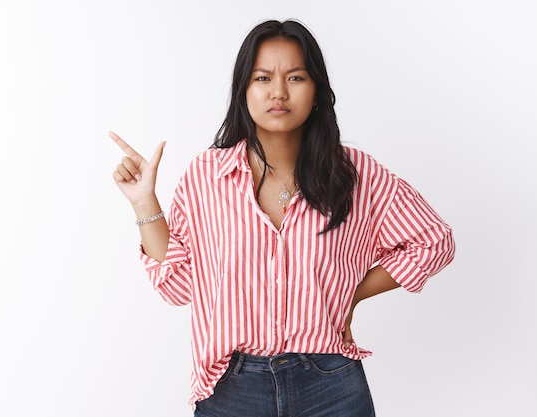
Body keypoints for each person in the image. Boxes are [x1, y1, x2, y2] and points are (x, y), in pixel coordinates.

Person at [110, 19, 455, 417]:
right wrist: (143, 203)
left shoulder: (354, 174)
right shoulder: (207, 175)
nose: (278, 92)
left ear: (316, 92)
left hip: (331, 384)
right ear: (243, 90)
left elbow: (434, 242)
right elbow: (178, 286)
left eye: (295, 77)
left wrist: (353, 293)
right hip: (231, 388)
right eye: (262, 78)